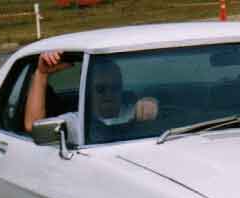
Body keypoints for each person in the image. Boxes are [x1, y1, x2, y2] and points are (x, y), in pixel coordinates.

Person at [24, 51, 158, 143]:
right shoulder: (76, 122)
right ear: (88, 92)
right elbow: (33, 126)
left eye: (115, 88)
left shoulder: (137, 112)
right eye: (101, 89)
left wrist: (154, 104)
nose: (108, 94)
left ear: (121, 89)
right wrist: (41, 75)